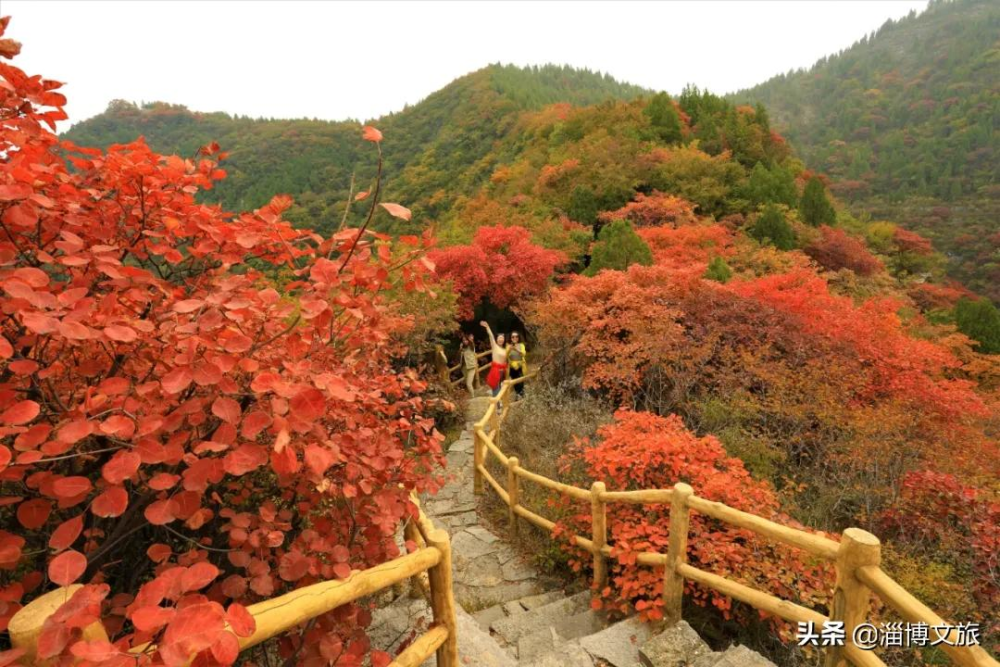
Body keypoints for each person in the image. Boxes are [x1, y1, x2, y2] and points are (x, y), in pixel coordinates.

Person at [480, 321, 507, 397]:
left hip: (503, 371)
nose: (501, 339)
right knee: (495, 387)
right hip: (496, 370)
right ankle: (497, 405)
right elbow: (491, 336)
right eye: (499, 338)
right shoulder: (494, 346)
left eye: (502, 338)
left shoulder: (505, 349)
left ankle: (498, 403)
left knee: (500, 387)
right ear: (496, 339)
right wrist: (488, 327)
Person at [506, 331, 527, 398]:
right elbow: (506, 356)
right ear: (510, 338)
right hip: (512, 366)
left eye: (516, 336)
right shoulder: (508, 346)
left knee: (521, 381)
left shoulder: (521, 345)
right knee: (515, 382)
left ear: (518, 337)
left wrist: (516, 349)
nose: (515, 338)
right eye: (513, 337)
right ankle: (518, 395)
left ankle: (521, 395)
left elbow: (523, 354)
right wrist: (509, 349)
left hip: (521, 365)